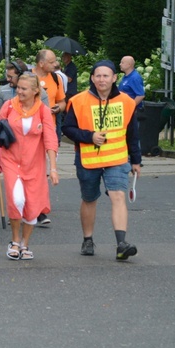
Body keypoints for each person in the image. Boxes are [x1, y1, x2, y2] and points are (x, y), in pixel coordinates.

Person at [62, 60, 141, 261]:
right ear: (92, 78)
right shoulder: (79, 101)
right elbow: (67, 128)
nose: (102, 79)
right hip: (88, 159)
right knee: (89, 199)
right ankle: (87, 239)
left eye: (106, 75)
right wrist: (90, 136)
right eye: (98, 75)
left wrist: (136, 160)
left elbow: (132, 133)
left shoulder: (126, 102)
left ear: (115, 78)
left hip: (117, 158)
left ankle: (121, 244)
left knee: (118, 196)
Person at [0, 72, 59, 260]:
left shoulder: (43, 110)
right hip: (11, 160)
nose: (19, 91)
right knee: (17, 200)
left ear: (35, 91)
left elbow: (50, 139)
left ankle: (25, 244)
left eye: (24, 89)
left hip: (34, 164)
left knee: (32, 205)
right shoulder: (9, 106)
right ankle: (15, 241)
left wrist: (53, 168)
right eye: (18, 87)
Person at [31, 49, 65, 225]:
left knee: (45, 171)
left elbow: (62, 101)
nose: (56, 64)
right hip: (30, 131)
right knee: (34, 172)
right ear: (41, 63)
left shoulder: (56, 79)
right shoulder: (28, 78)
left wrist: (58, 108)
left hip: (49, 129)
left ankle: (41, 209)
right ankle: (32, 208)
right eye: (52, 62)